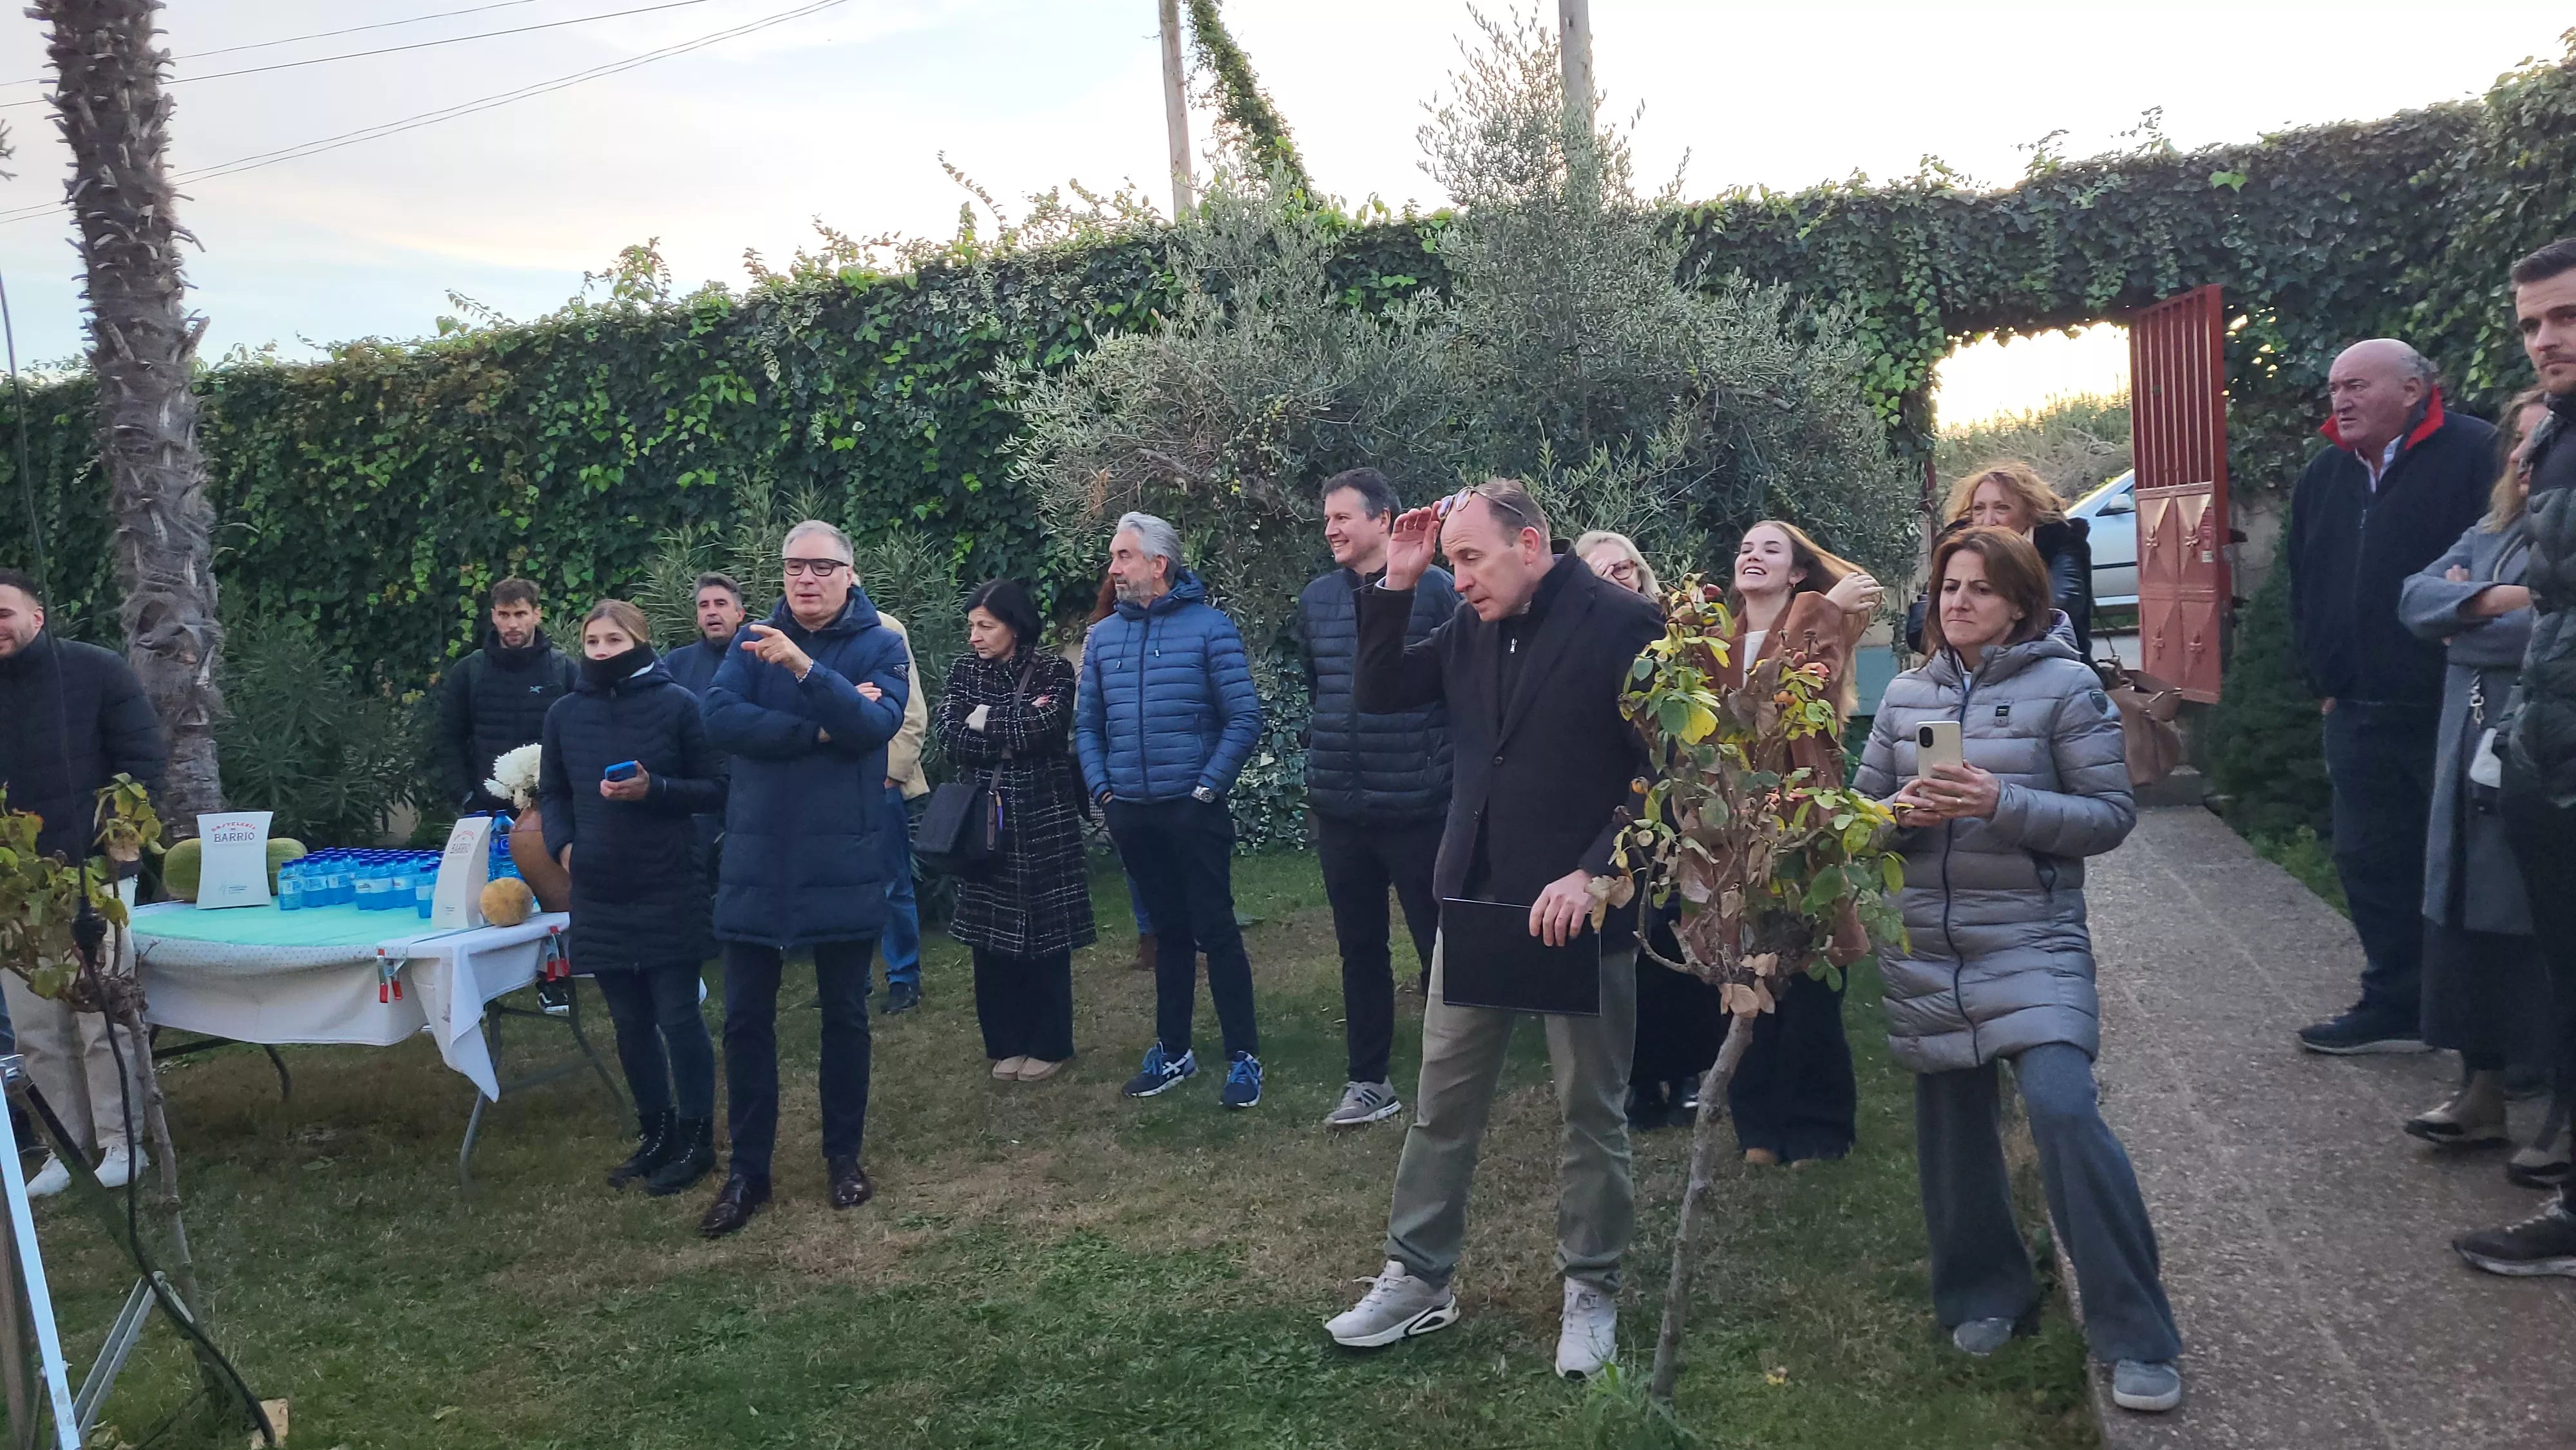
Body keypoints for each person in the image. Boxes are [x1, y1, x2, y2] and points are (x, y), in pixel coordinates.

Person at [1322, 480, 1663, 1381]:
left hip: (1583, 913)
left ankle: (1591, 1289)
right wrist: (1400, 578)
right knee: (1441, 1106)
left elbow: (1666, 772)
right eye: (1454, 560)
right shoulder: (1470, 624)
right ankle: (1419, 1276)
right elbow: (1382, 687)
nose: (1459, 577)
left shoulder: (1626, 625)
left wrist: (1596, 869)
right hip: (1473, 898)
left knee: (1592, 1115)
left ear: (1531, 543)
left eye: (1471, 559)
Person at [1855, 527, 2182, 1415]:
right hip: (1928, 944)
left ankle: (2136, 1331)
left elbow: (2109, 817)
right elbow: (1858, 815)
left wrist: (2002, 801)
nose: (1957, 602)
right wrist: (1899, 816)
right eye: (1948, 587)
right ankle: (1983, 1292)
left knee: (2063, 1108)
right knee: (1953, 1136)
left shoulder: (2067, 688)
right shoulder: (1909, 694)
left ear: (2021, 603)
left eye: (1979, 589)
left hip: (2032, 939)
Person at [696, 520, 913, 1238]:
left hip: (841, 856)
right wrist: (816, 728)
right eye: (794, 566)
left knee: (845, 1015)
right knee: (745, 1020)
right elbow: (719, 718)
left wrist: (802, 670)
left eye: (821, 566)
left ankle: (842, 1158)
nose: (806, 578)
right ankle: (746, 1172)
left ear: (849, 573)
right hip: (757, 857)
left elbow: (874, 724)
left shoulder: (880, 641)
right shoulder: (752, 638)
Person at [2287, 340, 2497, 1055]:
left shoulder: (2476, 453)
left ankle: (2492, 1035)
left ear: (2412, 390)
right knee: (2370, 861)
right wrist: (2323, 680)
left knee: (2472, 871)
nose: (2339, 401)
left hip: (2452, 705)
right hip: (2355, 708)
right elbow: (2302, 580)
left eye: (2356, 386)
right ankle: (2393, 1001)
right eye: (2334, 388)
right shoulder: (2324, 476)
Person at [2456, 236, 2576, 1277]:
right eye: (2533, 320)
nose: (2546, 338)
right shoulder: (2559, 443)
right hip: (2551, 744)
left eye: (2566, 316)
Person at [2396, 390, 2556, 1162]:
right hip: (2462, 757)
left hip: (2538, 759)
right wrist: (2490, 599)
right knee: (2459, 917)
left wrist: (2464, 618)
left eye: (2543, 443)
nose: (2527, 462)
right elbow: (2413, 597)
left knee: (2533, 923)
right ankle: (2479, 1092)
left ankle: (2553, 1111)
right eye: (2518, 447)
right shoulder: (2488, 530)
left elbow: (2544, 631)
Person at [1075, 513, 1267, 1109]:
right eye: (1114, 556)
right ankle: (1174, 1050)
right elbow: (1087, 726)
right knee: (1167, 934)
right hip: (1132, 812)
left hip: (1195, 811)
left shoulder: (1210, 630)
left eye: (1123, 556)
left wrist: (1206, 790)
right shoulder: (1103, 638)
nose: (1113, 568)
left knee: (1216, 930)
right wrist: (1105, 794)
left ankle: (1244, 1056)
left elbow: (1244, 718)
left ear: (1159, 564)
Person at [539, 599, 726, 1197]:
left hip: (667, 880)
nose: (600, 653)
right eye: (592, 642)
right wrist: (564, 846)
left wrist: (655, 789)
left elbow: (716, 788)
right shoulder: (565, 713)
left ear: (639, 643)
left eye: (613, 641)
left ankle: (698, 1137)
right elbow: (554, 793)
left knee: (677, 1015)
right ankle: (656, 1132)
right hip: (600, 888)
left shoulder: (678, 705)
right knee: (628, 1021)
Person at [1711, 521, 1880, 1164]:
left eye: (1770, 549)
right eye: (1745, 545)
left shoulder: (1820, 632)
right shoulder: (1711, 644)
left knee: (1809, 979)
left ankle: (1819, 1124)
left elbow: (1779, 702)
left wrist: (1821, 612)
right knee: (1743, 977)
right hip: (1731, 830)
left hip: (1800, 825)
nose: (1751, 554)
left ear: (1799, 572)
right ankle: (1757, 1124)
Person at [1300, 469, 1457, 1128]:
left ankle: (1452, 1076)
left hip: (1419, 804)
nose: (1331, 529)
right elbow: (1319, 685)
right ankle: (1368, 1082)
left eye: (1342, 517)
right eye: (1326, 519)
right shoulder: (1314, 599)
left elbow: (1459, 690)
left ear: (1383, 519)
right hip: (1341, 807)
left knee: (1438, 948)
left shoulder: (1439, 592)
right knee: (1358, 948)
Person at [0, 569, 162, 1194]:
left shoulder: (97, 673)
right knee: (36, 1026)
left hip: (93, 875)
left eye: (4, 614)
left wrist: (120, 858)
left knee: (103, 1018)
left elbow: (141, 765)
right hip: (15, 889)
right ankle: (64, 1151)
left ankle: (124, 1143)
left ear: (36, 617)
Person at [933, 579, 1095, 1082]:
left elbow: (1046, 729)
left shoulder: (1052, 669)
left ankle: (1050, 1043)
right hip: (984, 820)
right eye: (972, 627)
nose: (975, 637)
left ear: (1015, 625)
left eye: (986, 626)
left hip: (1042, 820)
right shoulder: (963, 671)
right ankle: (1004, 1041)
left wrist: (982, 720)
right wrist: (1007, 723)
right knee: (989, 938)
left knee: (1047, 938)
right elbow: (948, 736)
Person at [1903, 462, 2094, 657]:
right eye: (1978, 509)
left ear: (2030, 514)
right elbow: (1919, 628)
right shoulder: (1958, 552)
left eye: (2002, 508)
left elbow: (2059, 610)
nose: (1988, 520)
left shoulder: (2061, 543)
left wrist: (1970, 636)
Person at [437, 577, 578, 815]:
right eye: (504, 615)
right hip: (486, 810)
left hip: (552, 810)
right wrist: (466, 797)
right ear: (494, 616)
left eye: (520, 614)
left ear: (536, 614)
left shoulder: (564, 670)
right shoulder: (469, 671)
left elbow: (584, 737)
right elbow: (448, 739)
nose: (512, 624)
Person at [870, 604, 933, 1015]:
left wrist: (893, 772)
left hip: (878, 779)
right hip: (824, 785)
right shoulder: (796, 635)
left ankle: (903, 977)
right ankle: (848, 979)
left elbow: (911, 711)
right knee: (836, 883)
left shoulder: (886, 629)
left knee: (892, 883)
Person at [664, 572, 746, 871]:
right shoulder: (676, 663)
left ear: (740, 613)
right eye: (704, 605)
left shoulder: (761, 656)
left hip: (750, 791)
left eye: (721, 604)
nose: (712, 611)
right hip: (698, 797)